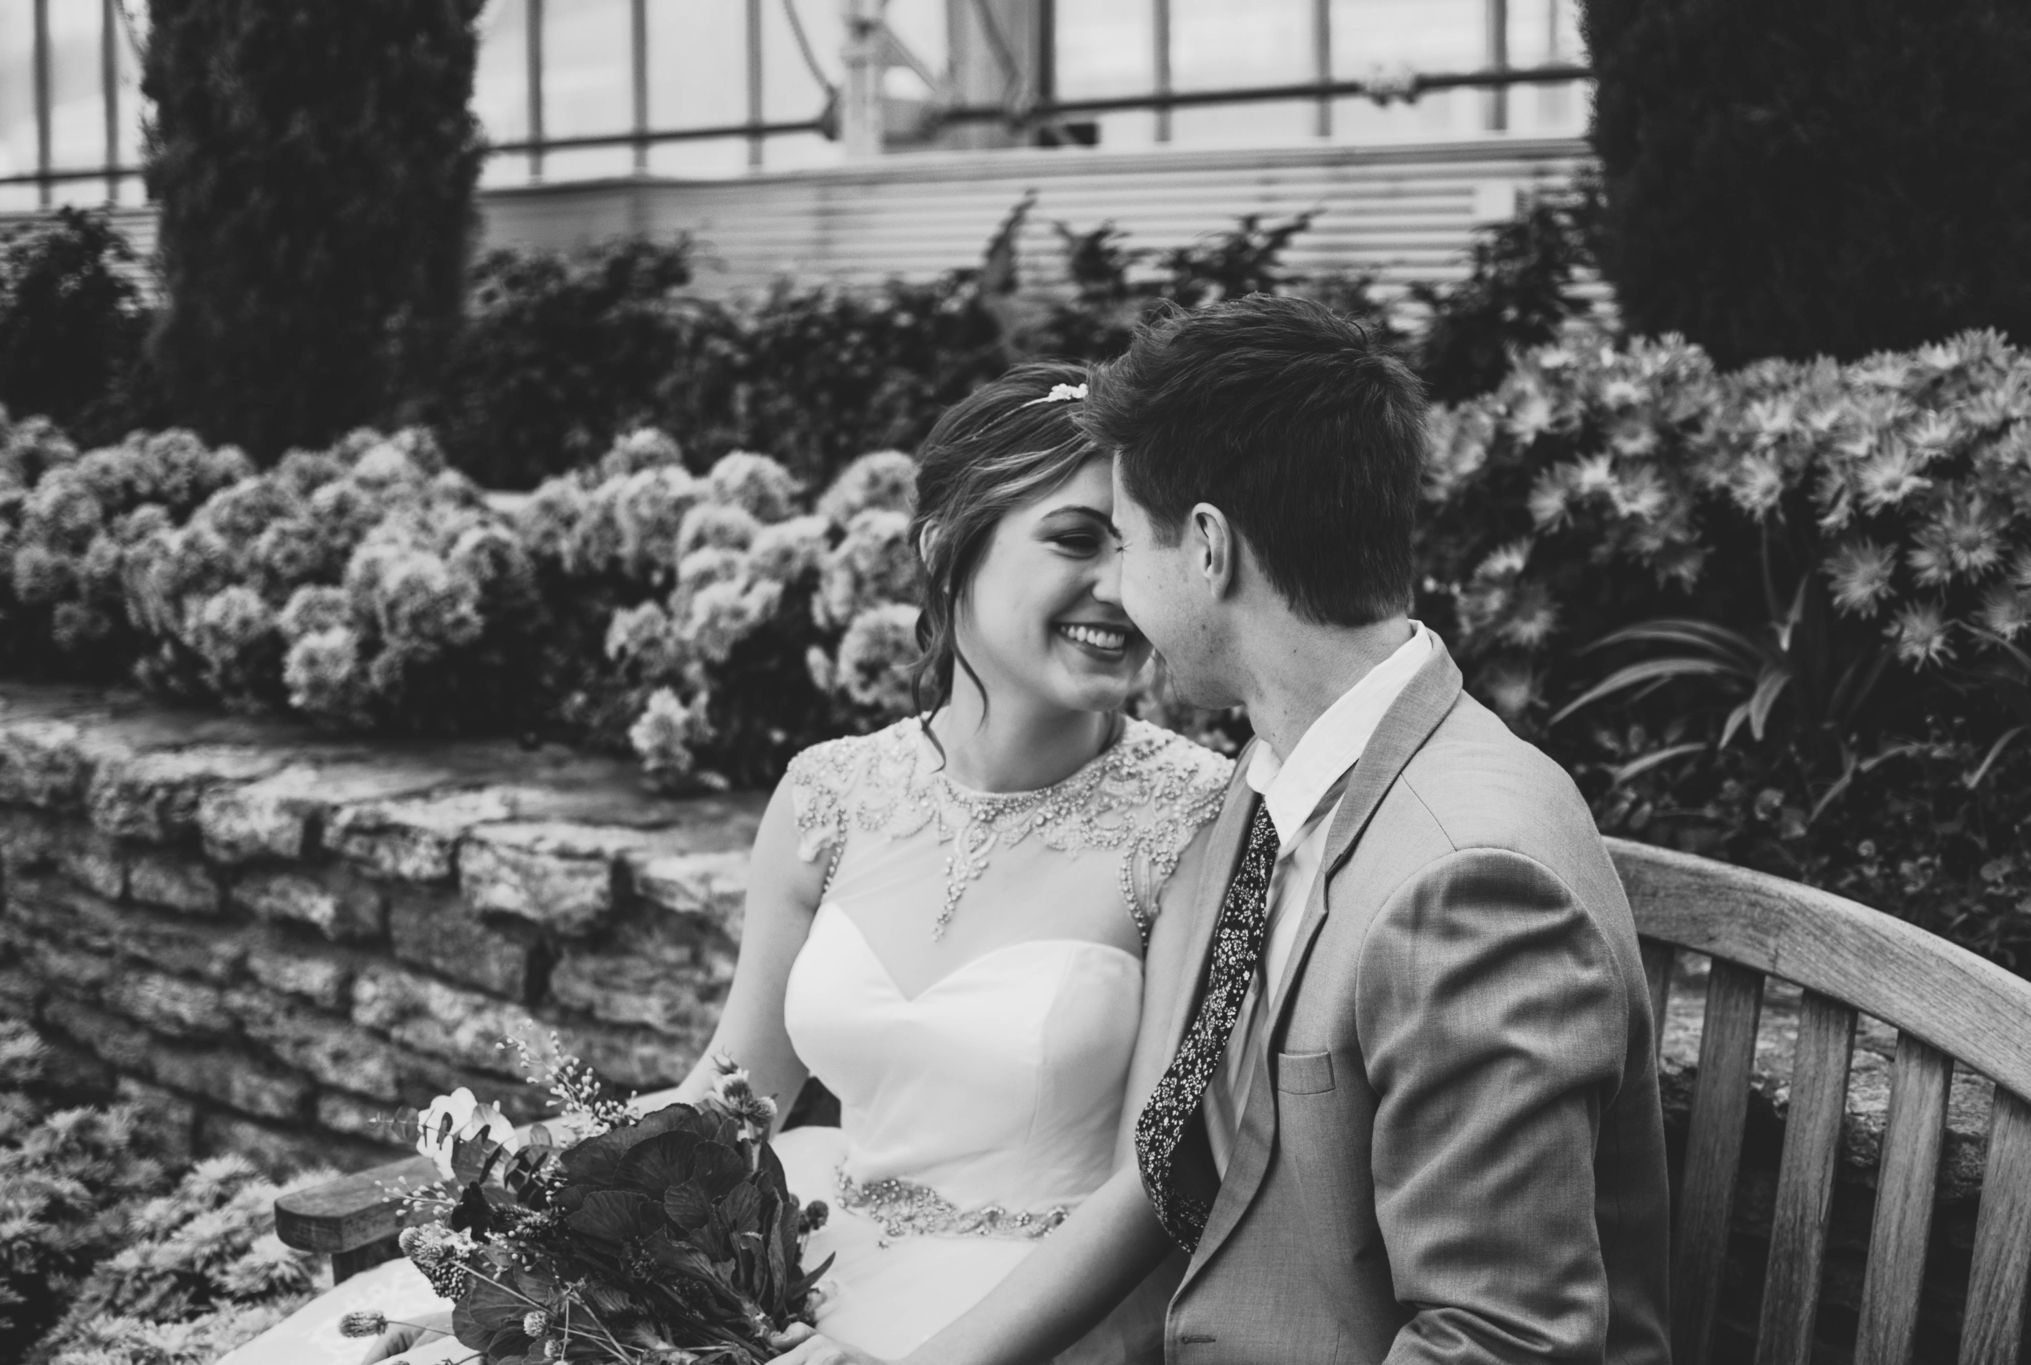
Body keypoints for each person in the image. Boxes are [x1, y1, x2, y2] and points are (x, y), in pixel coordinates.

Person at [230, 360, 1233, 1365]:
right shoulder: (828, 796)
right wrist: (537, 1203)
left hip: (1034, 1324)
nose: (1123, 589)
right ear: (944, 548)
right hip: (805, 1274)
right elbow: (725, 1092)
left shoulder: (1197, 819)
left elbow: (1149, 1187)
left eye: (1140, 546)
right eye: (1073, 540)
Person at [771, 296, 1672, 1365]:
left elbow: (1501, 1340)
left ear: (1204, 549)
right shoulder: (1273, 780)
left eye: (1126, 539)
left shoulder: (1463, 880)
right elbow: (1175, 1154)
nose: (1118, 591)